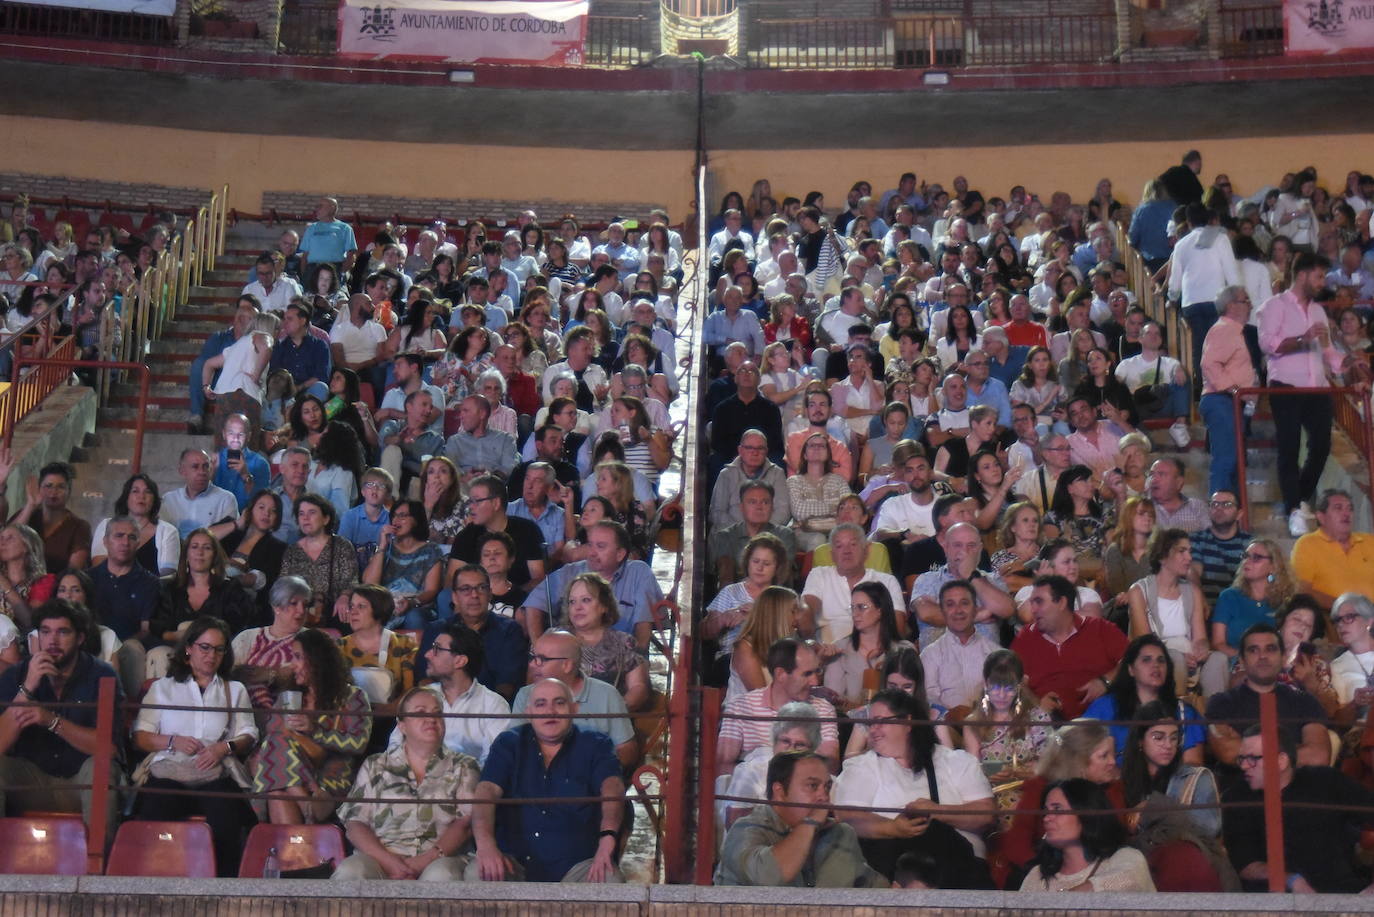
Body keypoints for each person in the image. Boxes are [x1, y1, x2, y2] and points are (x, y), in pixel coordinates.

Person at [131, 616, 258, 877]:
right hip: (170, 769)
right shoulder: (163, 688)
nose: (211, 655)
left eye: (219, 649)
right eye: (205, 647)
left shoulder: (234, 689)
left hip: (214, 772)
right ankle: (155, 881)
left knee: (226, 815)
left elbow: (249, 734)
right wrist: (172, 741)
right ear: (188, 648)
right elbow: (140, 736)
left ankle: (223, 885)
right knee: (157, 806)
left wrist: (223, 748)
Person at [467, 677, 626, 883]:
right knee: (477, 873)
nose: (550, 711)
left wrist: (607, 837)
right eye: (541, 704)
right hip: (512, 865)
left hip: (578, 866)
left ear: (574, 709)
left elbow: (613, 787)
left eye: (559, 703)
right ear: (529, 712)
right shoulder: (509, 744)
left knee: (610, 879)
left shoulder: (596, 744)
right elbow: (486, 790)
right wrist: (485, 844)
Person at [831, 689, 995, 884]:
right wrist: (893, 828)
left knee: (939, 835)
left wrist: (937, 812)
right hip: (892, 866)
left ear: (907, 722)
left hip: (959, 867)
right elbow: (849, 817)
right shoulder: (861, 767)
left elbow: (986, 814)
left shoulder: (956, 761)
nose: (873, 730)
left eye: (880, 721)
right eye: (870, 723)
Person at [332, 687, 480, 881]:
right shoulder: (376, 765)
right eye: (421, 712)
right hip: (381, 858)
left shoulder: (464, 766)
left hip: (441, 858)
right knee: (351, 871)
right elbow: (354, 823)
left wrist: (423, 861)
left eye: (437, 713)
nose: (431, 719)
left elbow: (466, 823)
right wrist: (389, 861)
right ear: (402, 726)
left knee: (441, 875)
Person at [0, 600, 124, 828]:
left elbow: (109, 748)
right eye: (45, 632)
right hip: (31, 782)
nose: (52, 641)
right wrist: (27, 688)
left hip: (80, 783)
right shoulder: (17, 675)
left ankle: (98, 852)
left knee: (100, 768)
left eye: (63, 632)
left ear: (80, 638)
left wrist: (52, 721)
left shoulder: (102, 676)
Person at [1257, 253, 1348, 536]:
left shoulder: (1318, 311)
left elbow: (1327, 350)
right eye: (1319, 276)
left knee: (1321, 446)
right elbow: (1268, 345)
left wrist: (1347, 363)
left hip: (1317, 386)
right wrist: (1301, 339)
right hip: (1285, 385)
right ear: (1302, 275)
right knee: (1289, 447)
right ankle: (1294, 507)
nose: (1322, 283)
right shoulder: (1273, 306)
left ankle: (1299, 499)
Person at [1223, 725, 1374, 893]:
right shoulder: (1236, 797)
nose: (1244, 766)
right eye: (1241, 758)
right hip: (1274, 898)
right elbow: (1245, 864)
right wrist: (1290, 879)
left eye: (1252, 759)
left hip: (1343, 892)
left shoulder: (1327, 781)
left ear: (1281, 761)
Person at [249, 627, 371, 824]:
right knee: (277, 785)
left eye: (297, 657)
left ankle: (303, 802)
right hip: (298, 782)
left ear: (317, 660)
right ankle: (307, 802)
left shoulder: (353, 697)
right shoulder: (289, 698)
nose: (292, 664)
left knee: (276, 784)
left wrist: (316, 730)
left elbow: (358, 743)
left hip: (331, 779)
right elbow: (272, 741)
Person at [716, 750, 883, 888]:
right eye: (812, 786)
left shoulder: (840, 834)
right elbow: (768, 877)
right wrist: (809, 824)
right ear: (780, 792)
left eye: (827, 787)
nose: (824, 796)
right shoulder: (745, 829)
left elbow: (870, 886)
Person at [1120, 701, 1234, 891]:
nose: (1168, 745)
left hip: (1190, 872)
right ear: (1140, 741)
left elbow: (1206, 831)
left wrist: (1155, 807)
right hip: (1139, 874)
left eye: (1174, 738)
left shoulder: (1196, 777)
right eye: (1158, 737)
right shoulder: (1122, 782)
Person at [1204, 623, 1330, 779]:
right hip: (1241, 788)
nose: (1262, 656)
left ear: (1283, 658)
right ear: (1242, 660)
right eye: (1253, 650)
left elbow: (1318, 757)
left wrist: (1246, 748)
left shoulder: (1305, 701)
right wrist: (1292, 749)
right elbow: (1227, 752)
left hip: (1296, 789)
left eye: (1270, 649)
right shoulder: (1221, 702)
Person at [1001, 721, 1125, 875]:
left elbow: (1115, 843)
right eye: (1104, 756)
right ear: (1078, 760)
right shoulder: (1039, 788)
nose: (1113, 762)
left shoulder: (1112, 790)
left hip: (1101, 873)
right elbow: (1017, 844)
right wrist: (1044, 875)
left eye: (1114, 754)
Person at [1127, 528, 1226, 698]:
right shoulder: (1138, 591)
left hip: (1189, 655)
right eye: (1182, 551)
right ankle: (1177, 710)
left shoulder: (1192, 591)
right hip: (1156, 656)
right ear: (1162, 556)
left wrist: (1201, 648)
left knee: (1219, 660)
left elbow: (1200, 638)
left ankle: (1214, 713)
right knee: (1174, 658)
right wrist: (1176, 656)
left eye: (1190, 551)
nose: (1189, 558)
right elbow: (1144, 643)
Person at [1012, 574, 1127, 719]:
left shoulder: (1100, 629)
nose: (1033, 609)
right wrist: (1036, 704)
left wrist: (1105, 681)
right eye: (1032, 603)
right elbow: (1012, 682)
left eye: (1039, 602)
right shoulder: (1025, 638)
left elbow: (1133, 660)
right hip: (1049, 726)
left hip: (1102, 722)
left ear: (1061, 603)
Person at [718, 638, 840, 772]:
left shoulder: (823, 709)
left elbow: (830, 765)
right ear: (781, 674)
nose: (815, 682)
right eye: (807, 674)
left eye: (817, 672)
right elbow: (722, 766)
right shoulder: (740, 707)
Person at [1085, 634, 1206, 763]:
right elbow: (1083, 755)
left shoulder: (1184, 713)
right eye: (1146, 660)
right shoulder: (1104, 707)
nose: (1156, 665)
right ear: (1131, 669)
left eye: (1161, 660)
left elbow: (1192, 766)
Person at [1019, 778, 1155, 892]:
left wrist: (1066, 899)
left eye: (1057, 809)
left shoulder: (1125, 858)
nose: (1047, 818)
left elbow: (1128, 880)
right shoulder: (1037, 876)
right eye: (1046, 811)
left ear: (1087, 814)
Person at [405, 621, 509, 765]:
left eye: (437, 649)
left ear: (460, 661)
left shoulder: (494, 705)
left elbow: (493, 764)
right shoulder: (420, 698)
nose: (427, 655)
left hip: (469, 778)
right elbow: (396, 747)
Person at [149, 528, 256, 650]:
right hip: (175, 650)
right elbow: (157, 628)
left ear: (214, 555)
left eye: (207, 548)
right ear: (186, 554)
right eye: (194, 547)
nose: (200, 552)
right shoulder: (170, 588)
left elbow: (239, 629)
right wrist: (177, 636)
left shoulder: (230, 589)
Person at [801, 524, 904, 645]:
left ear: (866, 551)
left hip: (875, 647)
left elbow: (898, 628)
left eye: (853, 544)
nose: (846, 551)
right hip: (828, 648)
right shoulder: (819, 575)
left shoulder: (887, 581)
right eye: (839, 546)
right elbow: (807, 609)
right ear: (832, 555)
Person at [1199, 286, 1257, 495]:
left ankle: (1232, 508)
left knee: (1234, 461)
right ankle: (1220, 506)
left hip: (1229, 401)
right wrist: (1234, 390)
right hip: (1221, 400)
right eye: (1245, 300)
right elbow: (1210, 363)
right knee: (1227, 459)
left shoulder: (1234, 331)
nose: (1250, 305)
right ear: (1231, 305)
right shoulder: (1225, 329)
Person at [563, 572, 650, 710]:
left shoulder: (624, 643)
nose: (577, 607)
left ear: (604, 606)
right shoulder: (553, 640)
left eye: (586, 600)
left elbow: (638, 687)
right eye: (572, 601)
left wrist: (613, 711)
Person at [961, 650, 1052, 776]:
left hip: (1030, 785)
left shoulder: (1037, 716)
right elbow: (973, 771)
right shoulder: (973, 723)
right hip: (989, 787)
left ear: (1019, 686)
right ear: (986, 684)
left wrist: (1038, 766)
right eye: (996, 687)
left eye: (1009, 688)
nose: (1002, 695)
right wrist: (993, 771)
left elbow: (1051, 760)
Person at [820, 582, 907, 713]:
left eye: (861, 607)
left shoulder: (903, 651)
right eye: (852, 607)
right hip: (848, 722)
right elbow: (832, 702)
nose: (855, 614)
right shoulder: (840, 649)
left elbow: (909, 700)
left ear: (880, 610)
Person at [231, 575, 311, 712]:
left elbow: (317, 677)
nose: (301, 610)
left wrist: (271, 674)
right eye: (293, 603)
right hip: (247, 713)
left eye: (305, 605)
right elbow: (229, 678)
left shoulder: (312, 639)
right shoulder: (247, 638)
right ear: (276, 607)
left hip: (297, 714)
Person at [361, 500, 444, 630]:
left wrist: (412, 603)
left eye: (402, 516)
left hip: (416, 605)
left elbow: (431, 590)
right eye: (394, 515)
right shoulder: (385, 548)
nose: (396, 520)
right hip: (385, 604)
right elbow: (369, 585)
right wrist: (382, 546)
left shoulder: (431, 550)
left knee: (413, 617)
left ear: (416, 520)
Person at [921, 579, 1001, 712]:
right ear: (942, 611)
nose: (958, 610)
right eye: (950, 604)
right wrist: (952, 716)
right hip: (946, 723)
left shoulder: (995, 654)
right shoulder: (929, 655)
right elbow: (928, 700)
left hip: (988, 722)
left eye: (964, 603)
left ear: (975, 609)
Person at [1210, 539, 1294, 665]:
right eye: (1245, 556)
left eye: (1256, 558)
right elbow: (1218, 643)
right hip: (1236, 664)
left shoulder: (1285, 601)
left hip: (1274, 666)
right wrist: (1247, 661)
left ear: (1273, 566)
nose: (1247, 561)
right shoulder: (1229, 597)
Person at [278, 495, 357, 625]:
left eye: (312, 512)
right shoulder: (292, 551)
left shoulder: (342, 545)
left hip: (334, 612)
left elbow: (351, 581)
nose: (305, 518)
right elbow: (284, 585)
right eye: (301, 513)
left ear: (326, 519)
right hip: (300, 613)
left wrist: (344, 597)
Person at [1290, 489, 1374, 609]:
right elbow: (1302, 590)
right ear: (1321, 517)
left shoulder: (1370, 541)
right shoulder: (1307, 544)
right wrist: (1345, 608)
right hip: (1333, 616)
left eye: (1350, 509)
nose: (1346, 514)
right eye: (1338, 508)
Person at [339, 584, 418, 710]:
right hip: (349, 718)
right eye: (351, 606)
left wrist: (387, 711)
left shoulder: (404, 644)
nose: (353, 612)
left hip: (393, 717)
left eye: (361, 606)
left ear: (379, 610)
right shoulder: (338, 647)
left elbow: (409, 692)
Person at [8, 460, 92, 575]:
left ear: (69, 491)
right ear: (40, 489)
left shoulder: (79, 526)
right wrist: (30, 505)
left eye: (61, 487)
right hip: (19, 582)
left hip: (58, 584)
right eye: (48, 486)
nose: (53, 492)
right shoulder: (28, 514)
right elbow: (7, 540)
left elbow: (74, 571)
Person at [91, 474, 180, 576]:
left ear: (154, 500)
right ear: (126, 497)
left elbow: (168, 574)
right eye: (135, 491)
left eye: (147, 492)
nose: (141, 496)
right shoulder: (106, 525)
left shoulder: (168, 531)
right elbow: (98, 566)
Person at [709, 431, 792, 531]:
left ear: (766, 451)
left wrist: (761, 532)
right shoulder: (726, 474)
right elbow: (717, 513)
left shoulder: (777, 473)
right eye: (749, 448)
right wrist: (743, 532)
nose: (755, 453)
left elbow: (783, 511)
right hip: (732, 534)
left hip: (768, 534)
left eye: (760, 448)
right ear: (740, 450)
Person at [160, 449, 239, 541]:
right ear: (182, 471)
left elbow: (230, 539)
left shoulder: (226, 499)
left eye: (206, 466)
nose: (202, 472)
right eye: (195, 467)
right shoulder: (169, 500)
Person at [1189, 491, 1250, 608]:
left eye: (1227, 504)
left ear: (1239, 514)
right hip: (1205, 608)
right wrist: (1200, 600)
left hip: (1240, 609)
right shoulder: (1196, 539)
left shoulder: (1250, 544)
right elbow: (1193, 572)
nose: (1219, 508)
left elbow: (1268, 576)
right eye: (1214, 504)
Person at [212, 413, 271, 512]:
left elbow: (263, 503)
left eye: (241, 434)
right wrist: (211, 474)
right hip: (217, 517)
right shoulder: (214, 460)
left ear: (249, 436)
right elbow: (203, 497)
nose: (235, 438)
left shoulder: (261, 464)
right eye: (231, 433)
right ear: (224, 434)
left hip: (247, 518)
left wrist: (245, 475)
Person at [1329, 592, 1374, 718]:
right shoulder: (1337, 666)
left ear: (1369, 621)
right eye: (1337, 620)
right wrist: (1355, 704)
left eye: (1349, 617)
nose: (1341, 624)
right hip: (1361, 728)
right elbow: (1338, 722)